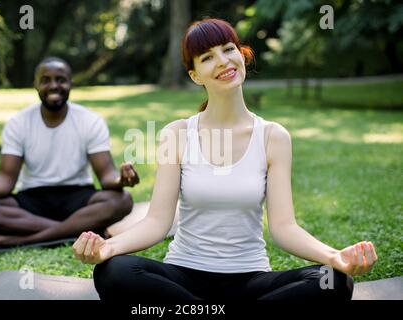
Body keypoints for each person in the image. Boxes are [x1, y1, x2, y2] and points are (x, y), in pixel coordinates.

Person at [72, 19, 378, 300]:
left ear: (242, 55)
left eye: (228, 49)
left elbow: (284, 227)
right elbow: (156, 222)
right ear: (195, 75)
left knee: (334, 280)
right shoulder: (175, 134)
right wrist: (108, 248)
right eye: (207, 57)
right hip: (184, 278)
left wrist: (335, 257)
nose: (223, 61)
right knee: (114, 272)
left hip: (250, 280)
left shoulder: (274, 137)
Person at [0, 57, 139, 249]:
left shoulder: (90, 120)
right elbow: (5, 178)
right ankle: (80, 231)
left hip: (78, 197)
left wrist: (121, 180)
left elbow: (106, 175)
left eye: (60, 79)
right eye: (45, 80)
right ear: (35, 84)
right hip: (33, 199)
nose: (53, 86)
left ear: (70, 83)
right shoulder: (19, 122)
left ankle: (28, 239)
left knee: (122, 200)